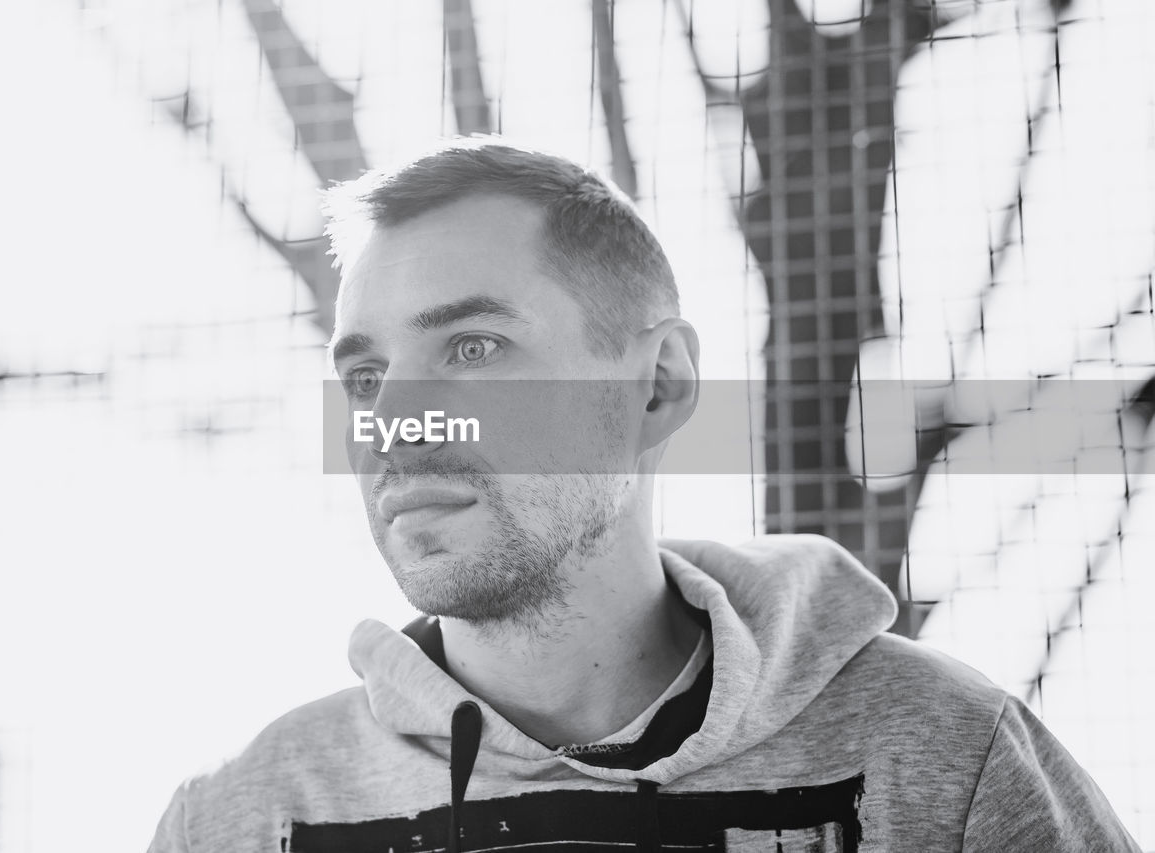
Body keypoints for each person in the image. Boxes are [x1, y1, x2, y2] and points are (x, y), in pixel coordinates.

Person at [146, 138, 1140, 852]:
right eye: (365, 377)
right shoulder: (240, 816)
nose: (397, 419)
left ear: (655, 384)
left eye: (472, 347)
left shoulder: (947, 763)